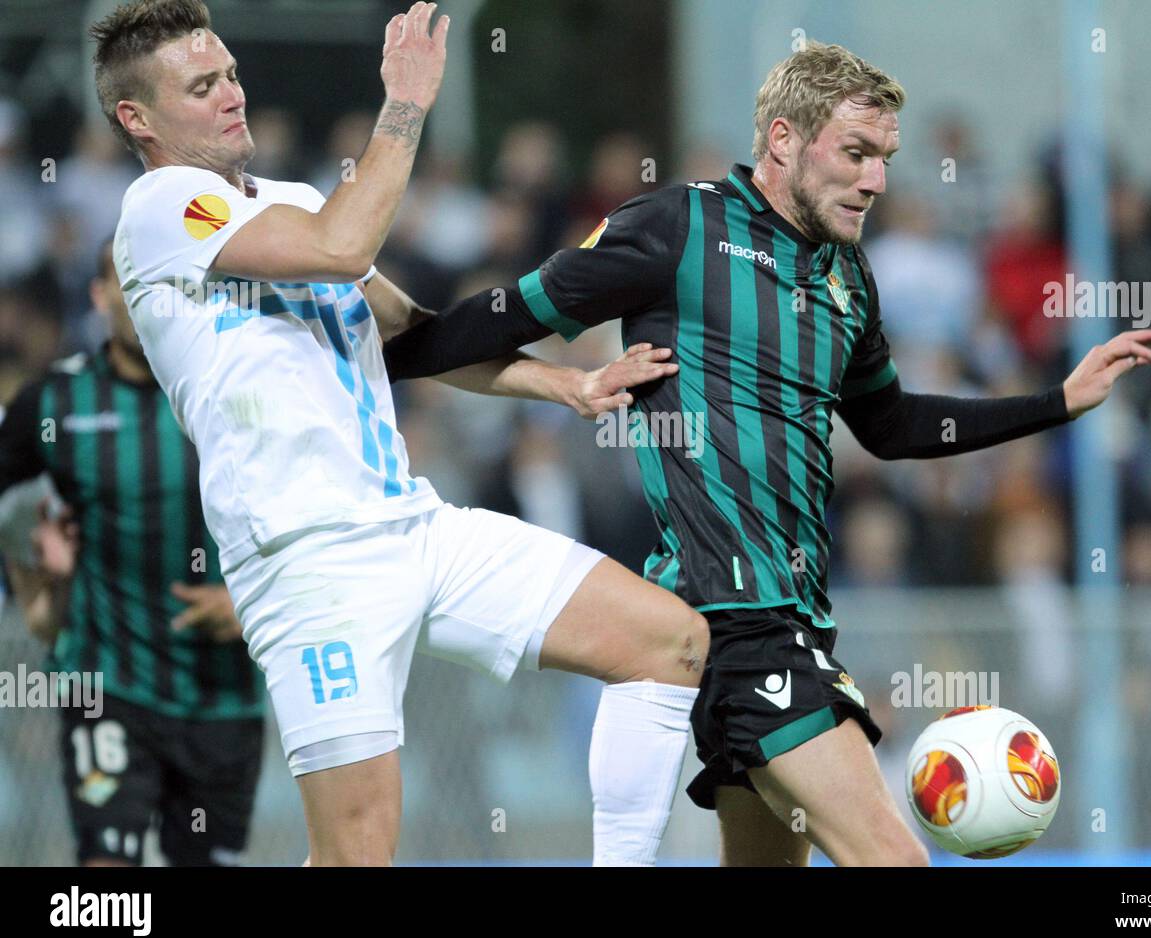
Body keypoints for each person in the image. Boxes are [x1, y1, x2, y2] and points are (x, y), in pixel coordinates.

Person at [381, 41, 1151, 865]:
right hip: (732, 617)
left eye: (886, 159)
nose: (876, 180)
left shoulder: (847, 279)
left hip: (797, 621)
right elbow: (492, 323)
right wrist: (371, 340)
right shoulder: (676, 227)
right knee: (896, 860)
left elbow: (892, 425)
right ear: (785, 139)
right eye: (856, 153)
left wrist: (1058, 402)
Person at [95, 0, 708, 866]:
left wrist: (563, 382)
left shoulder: (292, 202)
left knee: (668, 641)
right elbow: (345, 248)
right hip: (308, 562)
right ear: (137, 118)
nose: (232, 94)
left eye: (229, 73)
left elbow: (410, 333)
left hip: (415, 526)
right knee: (357, 855)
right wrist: (406, 104)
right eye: (201, 87)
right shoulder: (161, 209)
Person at [0, 238, 262, 866]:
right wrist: (34, 587)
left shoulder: (240, 393)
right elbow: (9, 507)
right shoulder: (54, 405)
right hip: (107, 681)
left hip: (222, 689)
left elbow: (317, 512)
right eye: (131, 283)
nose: (151, 301)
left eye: (168, 285)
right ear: (100, 296)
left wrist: (254, 601)